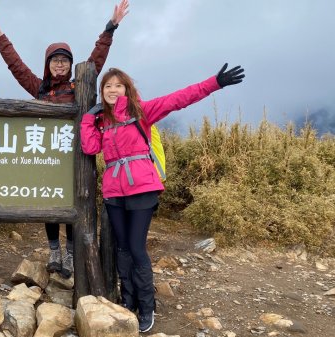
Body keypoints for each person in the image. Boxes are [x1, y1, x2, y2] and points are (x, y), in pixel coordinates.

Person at [80, 64, 245, 332]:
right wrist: (89, 118)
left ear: (126, 89)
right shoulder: (102, 121)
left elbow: (179, 99)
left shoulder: (141, 110)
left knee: (135, 247)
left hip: (142, 188)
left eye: (117, 85)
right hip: (113, 191)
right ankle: (128, 299)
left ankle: (147, 306)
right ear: (102, 91)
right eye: (107, 86)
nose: (112, 90)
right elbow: (90, 147)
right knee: (121, 249)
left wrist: (215, 82)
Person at [0, 0, 130, 278]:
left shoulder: (80, 86)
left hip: (75, 158)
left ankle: (72, 256)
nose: (60, 64)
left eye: (64, 60)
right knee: (50, 205)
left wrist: (111, 26)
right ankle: (54, 252)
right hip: (46, 160)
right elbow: (16, 65)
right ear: (48, 64)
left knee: (73, 205)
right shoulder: (38, 88)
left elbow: (97, 58)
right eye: (55, 60)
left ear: (70, 65)